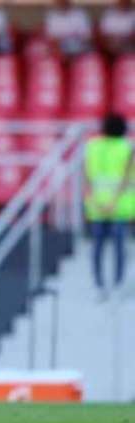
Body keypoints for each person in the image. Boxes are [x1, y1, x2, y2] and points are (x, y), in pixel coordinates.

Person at [85, 113, 134, 300]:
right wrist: (113, 203)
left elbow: (87, 176)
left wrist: (97, 201)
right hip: (119, 207)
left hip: (97, 206)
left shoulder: (92, 147)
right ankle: (117, 284)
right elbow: (126, 177)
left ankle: (99, 285)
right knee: (118, 247)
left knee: (98, 247)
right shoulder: (127, 148)